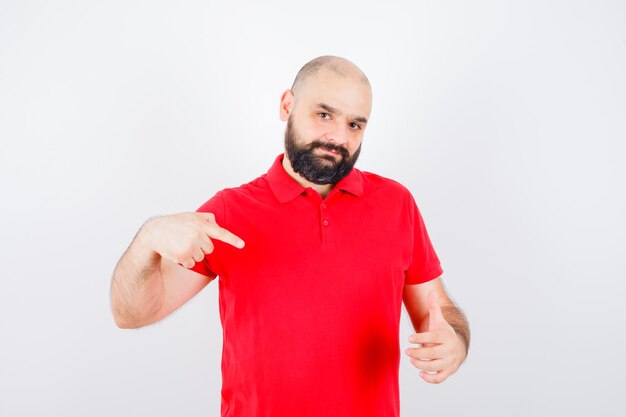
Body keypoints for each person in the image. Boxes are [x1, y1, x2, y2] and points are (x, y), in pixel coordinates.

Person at [110, 55, 470, 417]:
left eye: (355, 124)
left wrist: (454, 342)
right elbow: (133, 313)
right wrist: (148, 238)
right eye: (324, 115)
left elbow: (437, 310)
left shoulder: (397, 205)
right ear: (287, 105)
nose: (338, 138)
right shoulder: (230, 211)